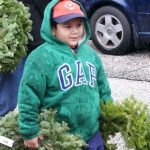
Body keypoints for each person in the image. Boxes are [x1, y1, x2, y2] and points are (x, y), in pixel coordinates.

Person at [18, 0, 113, 149]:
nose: (75, 31)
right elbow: (28, 97)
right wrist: (30, 130)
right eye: (67, 26)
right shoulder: (40, 58)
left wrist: (109, 114)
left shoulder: (90, 54)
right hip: (60, 138)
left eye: (79, 25)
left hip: (92, 134)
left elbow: (102, 87)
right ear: (53, 28)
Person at [0, 0, 50, 117]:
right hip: (13, 44)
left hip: (34, 42)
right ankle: (4, 121)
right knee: (9, 93)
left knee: (38, 89)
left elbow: (48, 8)